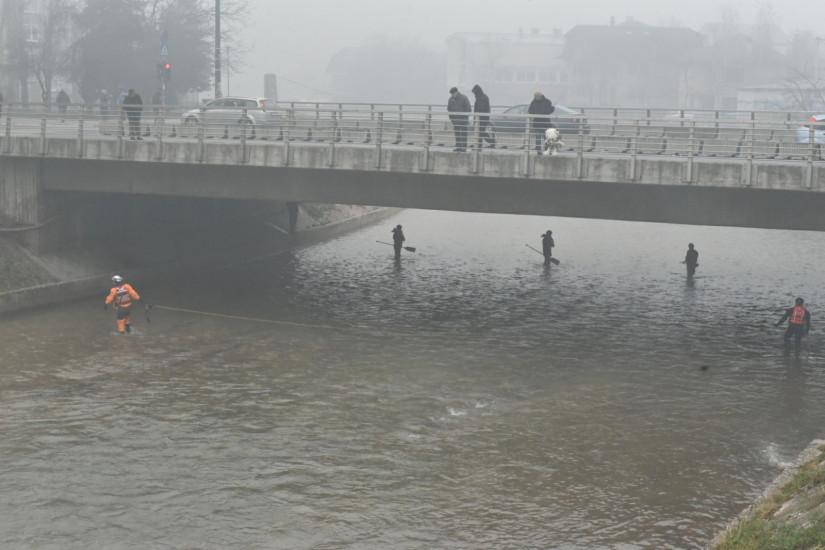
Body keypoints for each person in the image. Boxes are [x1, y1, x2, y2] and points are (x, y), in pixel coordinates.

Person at [471, 84, 495, 149]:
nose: (474, 94)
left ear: (477, 92)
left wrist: (476, 118)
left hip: (482, 118)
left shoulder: (482, 98)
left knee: (480, 132)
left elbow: (480, 109)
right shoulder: (481, 97)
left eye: (474, 93)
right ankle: (479, 145)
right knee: (480, 132)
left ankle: (491, 142)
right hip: (480, 118)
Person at [447, 87, 471, 152]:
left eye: (453, 94)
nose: (452, 95)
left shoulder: (464, 98)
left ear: (456, 92)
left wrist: (464, 118)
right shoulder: (451, 99)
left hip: (463, 121)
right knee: (457, 134)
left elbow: (468, 109)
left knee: (463, 134)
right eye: (451, 94)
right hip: (455, 121)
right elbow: (449, 109)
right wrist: (452, 119)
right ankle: (458, 147)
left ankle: (463, 147)